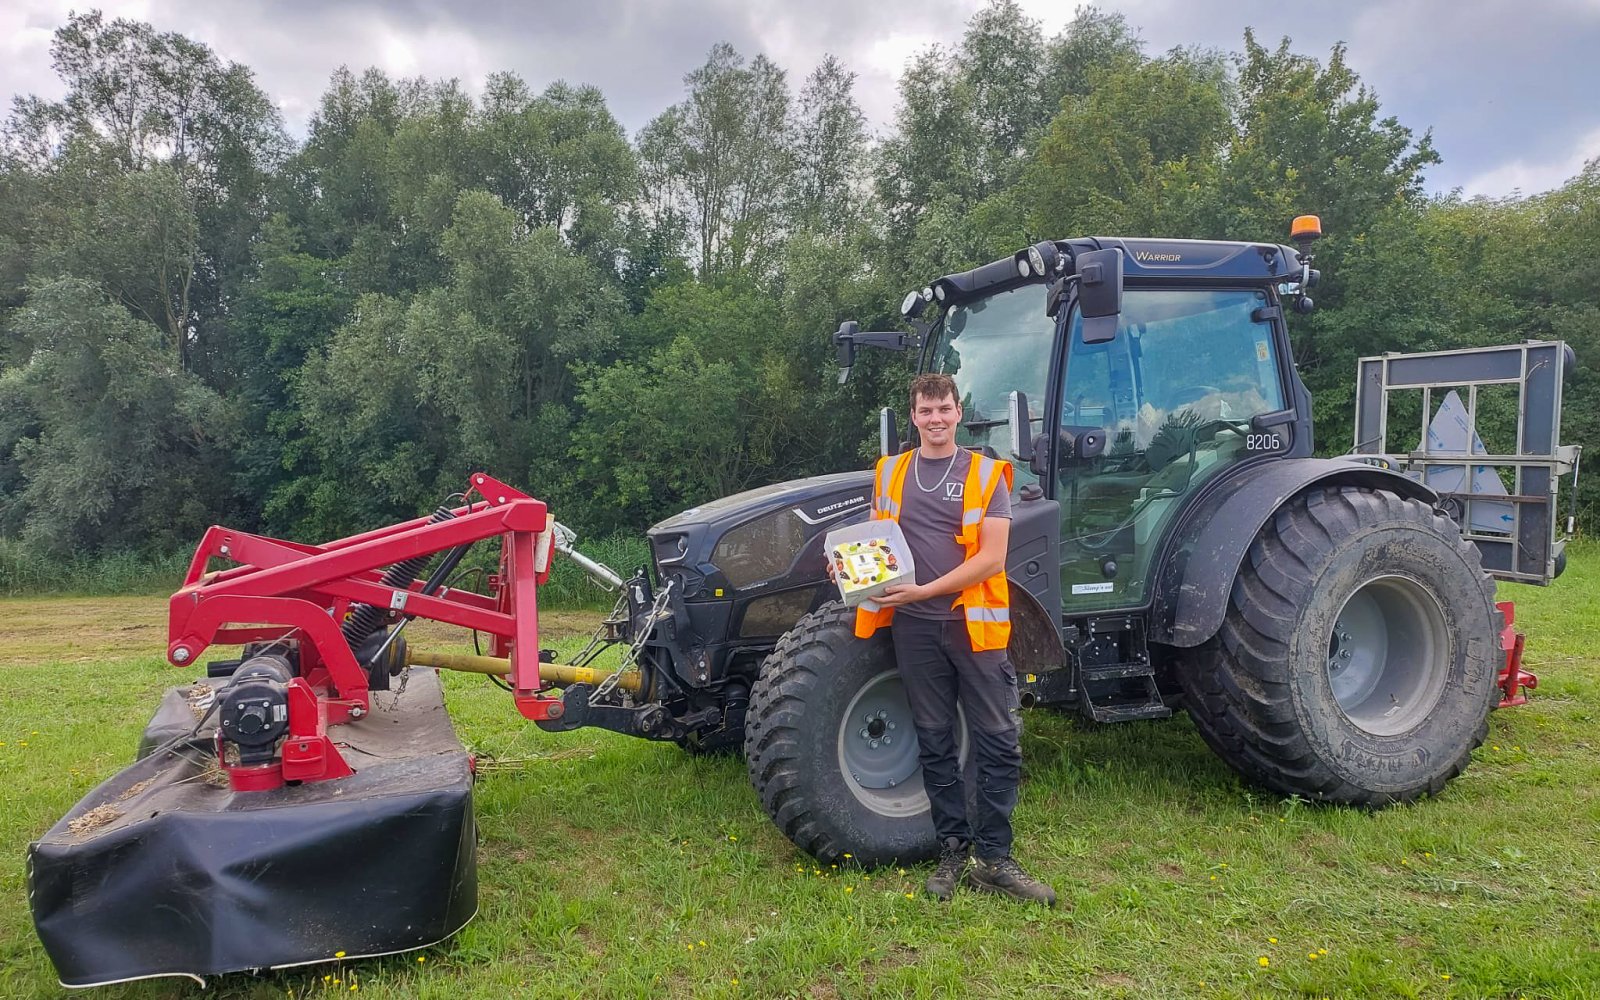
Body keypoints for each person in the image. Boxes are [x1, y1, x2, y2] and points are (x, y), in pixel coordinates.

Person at [852, 372, 1057, 906]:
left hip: (974, 627)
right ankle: (952, 851)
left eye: (944, 409)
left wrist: (921, 592)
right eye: (925, 411)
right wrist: (852, 572)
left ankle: (995, 858)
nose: (935, 419)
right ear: (914, 416)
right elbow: (877, 543)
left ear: (958, 412)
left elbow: (991, 558)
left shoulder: (988, 476)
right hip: (915, 630)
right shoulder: (890, 472)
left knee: (998, 741)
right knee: (935, 739)